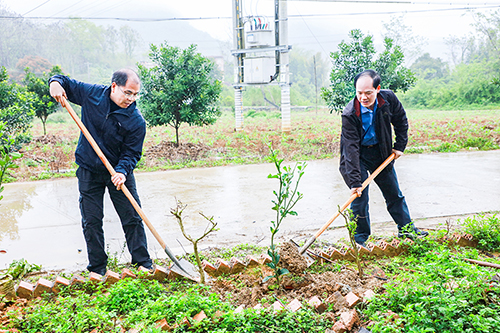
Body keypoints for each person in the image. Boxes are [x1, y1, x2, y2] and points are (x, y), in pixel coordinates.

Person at [49, 69, 153, 275]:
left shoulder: (136, 121)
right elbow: (63, 81)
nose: (131, 99)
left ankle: (143, 262)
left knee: (132, 216)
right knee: (91, 220)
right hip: (89, 169)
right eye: (127, 93)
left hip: (118, 173)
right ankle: (97, 268)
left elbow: (132, 153)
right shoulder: (92, 94)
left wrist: (122, 172)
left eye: (135, 94)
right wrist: (55, 83)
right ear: (114, 86)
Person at [339, 69, 428, 247]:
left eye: (368, 93)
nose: (363, 97)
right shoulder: (350, 113)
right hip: (358, 156)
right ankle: (359, 240)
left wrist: (399, 146)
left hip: (381, 153)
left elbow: (401, 120)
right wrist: (356, 182)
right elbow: (351, 149)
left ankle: (407, 230)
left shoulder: (388, 100)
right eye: (359, 93)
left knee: (393, 193)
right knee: (359, 198)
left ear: (377, 89)